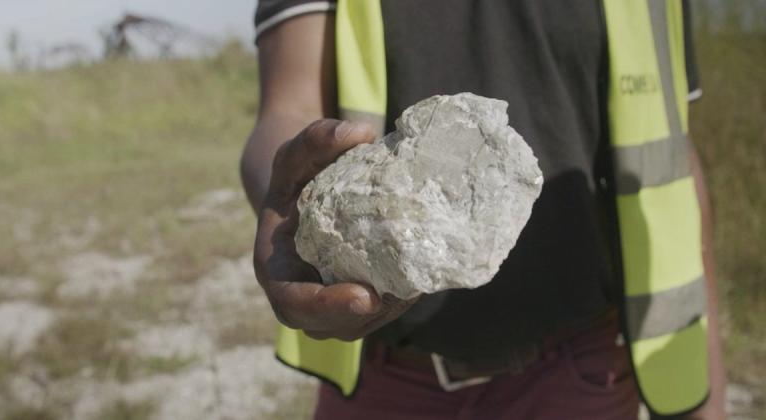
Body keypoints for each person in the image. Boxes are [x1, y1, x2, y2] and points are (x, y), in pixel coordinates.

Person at [240, 1, 727, 419]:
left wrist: (708, 393)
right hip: (386, 378)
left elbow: (671, 153)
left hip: (584, 374)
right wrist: (287, 203)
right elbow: (287, 106)